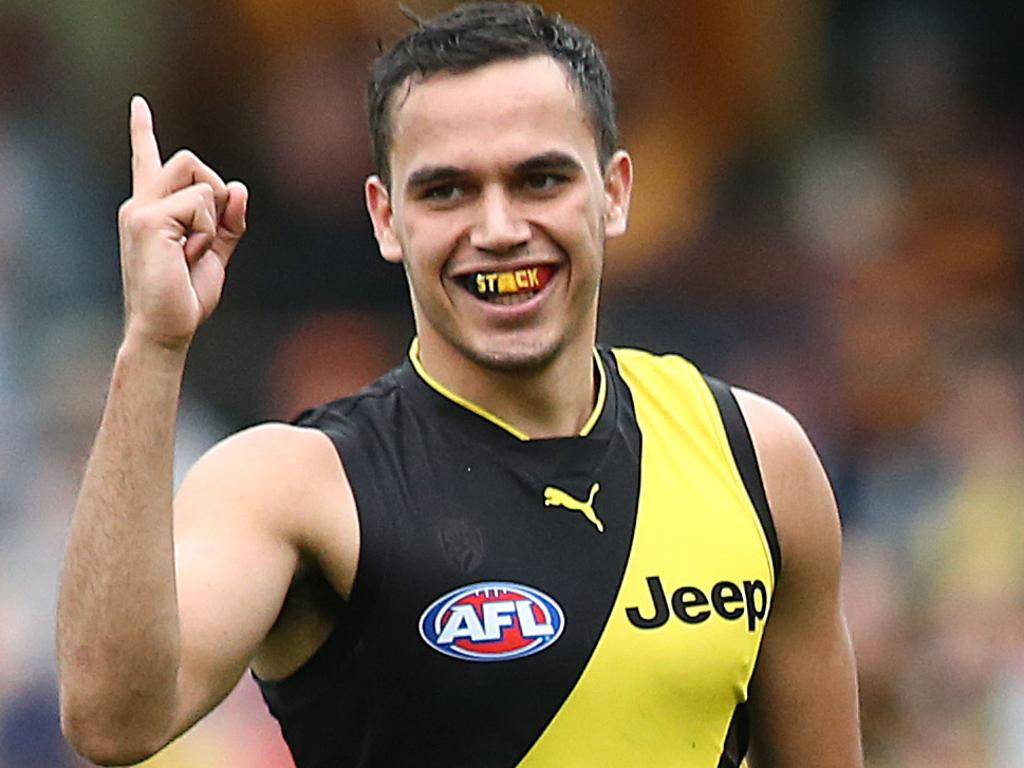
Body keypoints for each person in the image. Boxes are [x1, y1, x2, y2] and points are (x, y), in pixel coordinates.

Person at [56, 3, 863, 766]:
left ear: (614, 193)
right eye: (447, 190)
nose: (500, 229)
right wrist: (154, 347)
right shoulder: (299, 485)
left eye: (541, 180)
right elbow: (111, 718)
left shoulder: (758, 458)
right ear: (385, 218)